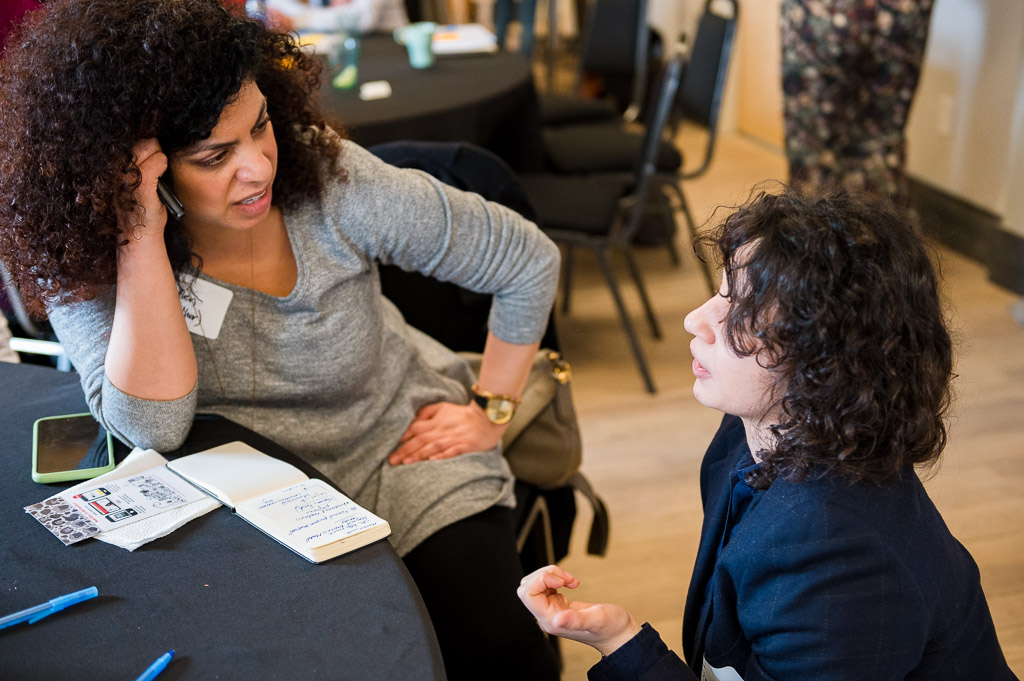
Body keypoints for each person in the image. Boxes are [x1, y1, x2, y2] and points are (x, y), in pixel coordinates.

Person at [0, 1, 560, 679]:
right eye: (214, 155)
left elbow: (527, 260)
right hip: (247, 501)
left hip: (398, 453)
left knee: (497, 643)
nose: (259, 168)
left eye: (259, 125)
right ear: (130, 169)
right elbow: (152, 426)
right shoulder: (91, 253)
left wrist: (491, 408)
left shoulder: (333, 184)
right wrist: (140, 234)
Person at [518, 188, 1018, 680]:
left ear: (826, 358)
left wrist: (622, 644)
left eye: (740, 311)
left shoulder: (830, 555)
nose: (695, 320)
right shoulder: (750, 434)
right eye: (720, 293)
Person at [780, 0, 934, 204]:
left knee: (813, 150)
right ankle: (877, 232)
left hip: (821, 11)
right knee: (881, 143)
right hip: (903, 10)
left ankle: (810, 230)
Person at [265, 0, 408, 33]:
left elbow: (362, 18)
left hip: (390, 46)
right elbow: (275, 7)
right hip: (344, 51)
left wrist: (295, 20)